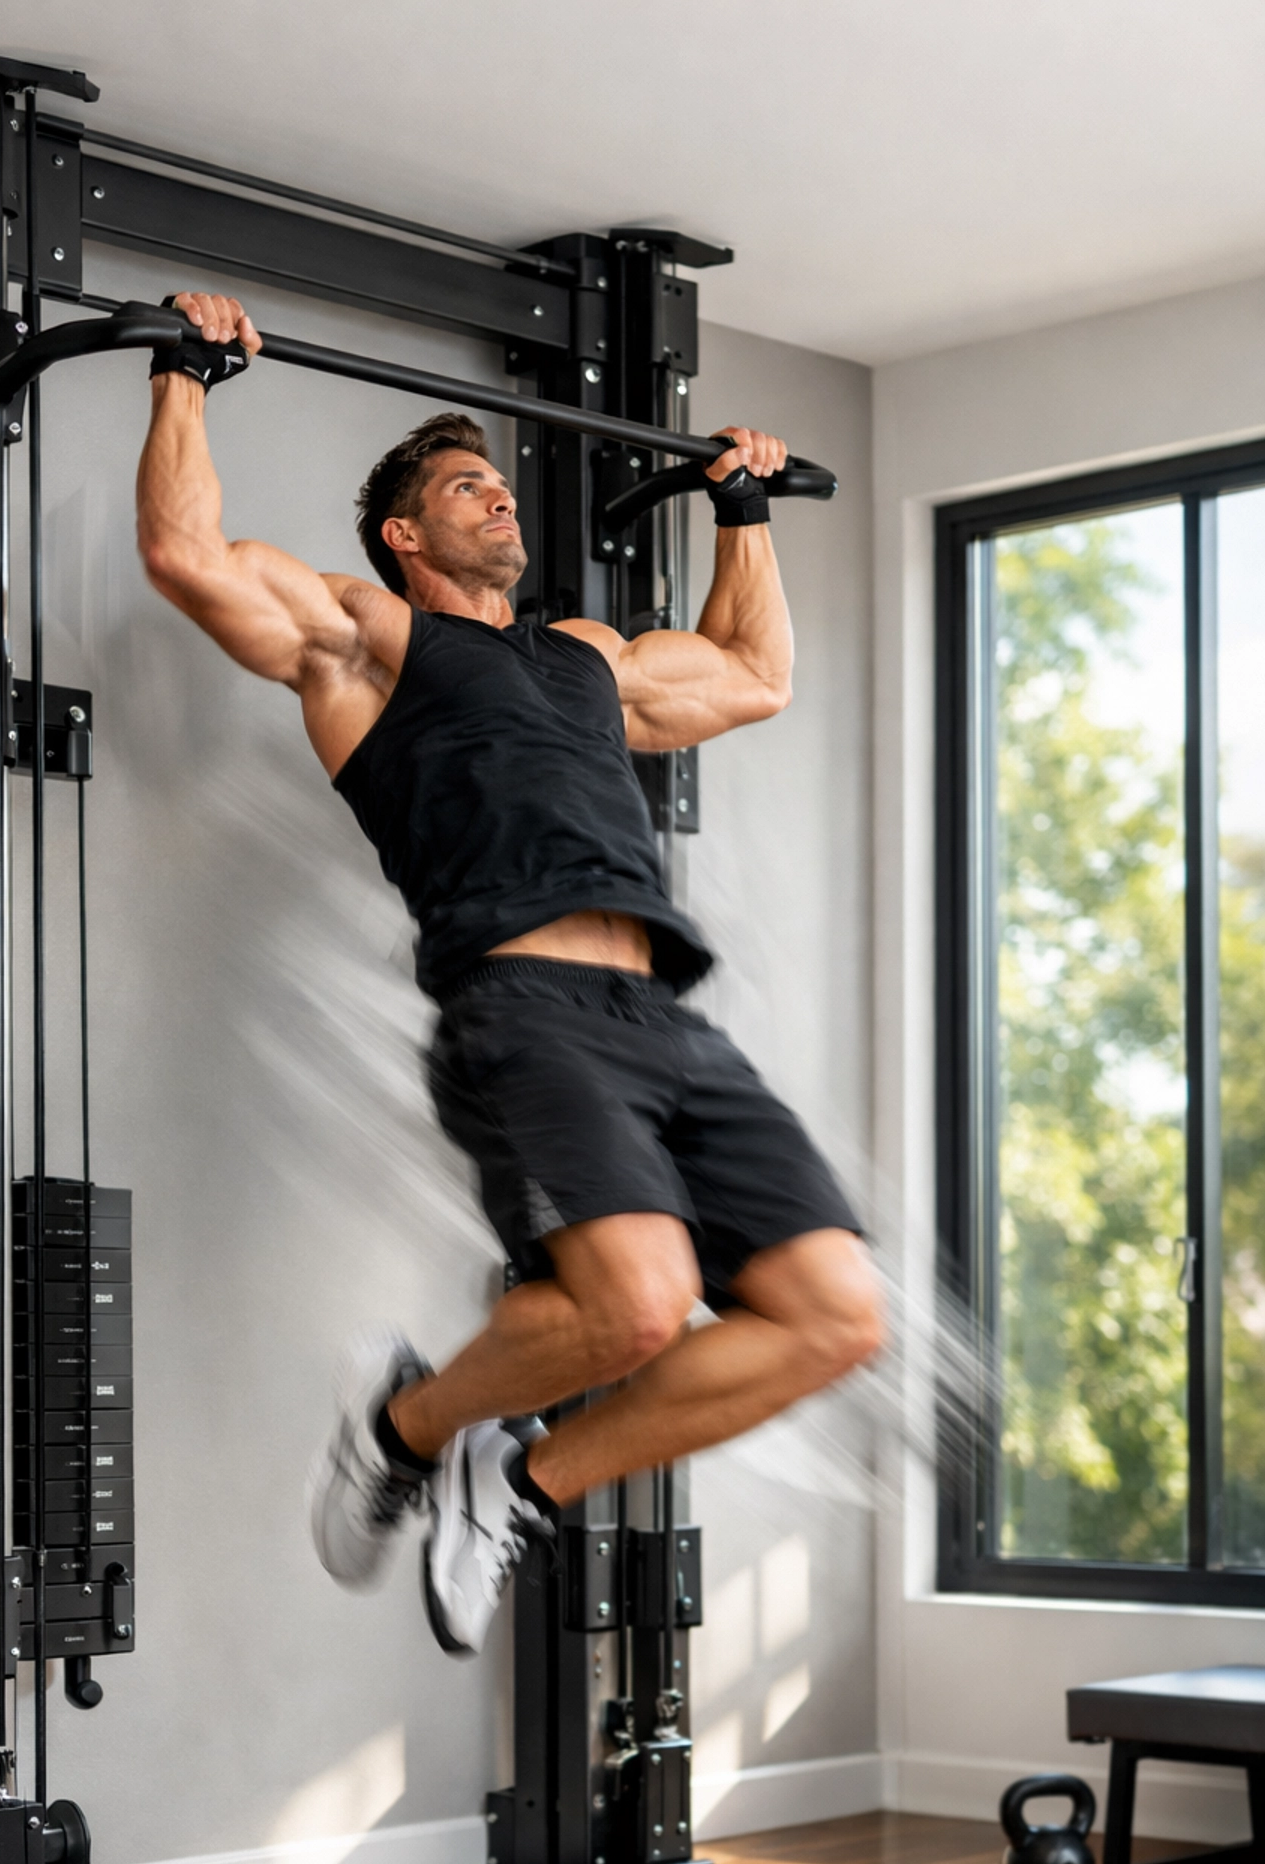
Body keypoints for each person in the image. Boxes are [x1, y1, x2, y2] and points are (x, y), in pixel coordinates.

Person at [136, 291, 886, 1659]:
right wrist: (184, 375)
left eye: (497, 480)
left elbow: (752, 677)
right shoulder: (370, 640)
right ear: (405, 534)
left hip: (661, 1015)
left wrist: (744, 510)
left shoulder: (589, 657)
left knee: (834, 1318)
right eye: (463, 486)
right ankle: (403, 1429)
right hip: (521, 1008)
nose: (497, 498)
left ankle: (519, 1475)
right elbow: (189, 557)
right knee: (638, 1308)